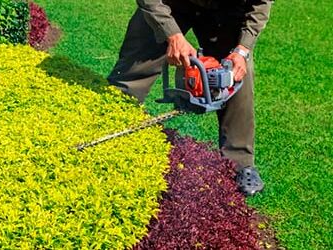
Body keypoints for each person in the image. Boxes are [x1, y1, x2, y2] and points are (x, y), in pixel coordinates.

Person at [107, 0, 274, 196]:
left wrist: (242, 49)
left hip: (226, 10)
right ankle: (112, 127)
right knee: (131, 71)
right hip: (170, 3)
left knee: (236, 74)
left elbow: (261, 3)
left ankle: (241, 163)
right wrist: (171, 33)